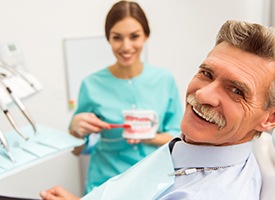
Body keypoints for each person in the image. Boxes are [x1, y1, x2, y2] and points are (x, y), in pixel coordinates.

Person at [40, 19, 275, 200]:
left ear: (269, 118)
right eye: (206, 73)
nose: (203, 94)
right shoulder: (192, 147)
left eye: (236, 91)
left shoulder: (207, 190)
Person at [67, 0, 183, 195]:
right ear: (108, 39)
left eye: (134, 36)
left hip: (154, 182)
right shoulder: (91, 84)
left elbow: (179, 138)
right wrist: (75, 132)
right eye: (117, 37)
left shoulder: (164, 79)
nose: (126, 46)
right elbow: (77, 150)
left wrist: (150, 137)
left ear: (146, 35)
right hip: (105, 185)